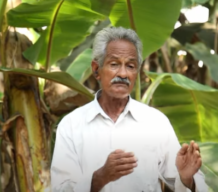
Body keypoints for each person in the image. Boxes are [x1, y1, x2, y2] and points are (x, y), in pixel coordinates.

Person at [50, 27, 208, 192]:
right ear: (96, 70)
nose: (123, 74)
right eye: (114, 64)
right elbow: (59, 189)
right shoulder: (71, 126)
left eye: (131, 66)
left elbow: (184, 183)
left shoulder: (155, 122)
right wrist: (99, 177)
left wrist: (187, 179)